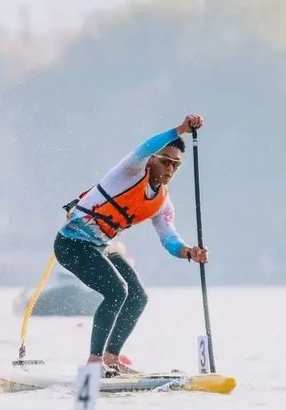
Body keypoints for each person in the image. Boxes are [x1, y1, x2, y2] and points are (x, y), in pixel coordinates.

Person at [55, 114, 210, 375]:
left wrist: (189, 252)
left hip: (100, 246)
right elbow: (146, 146)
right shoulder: (129, 171)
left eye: (176, 165)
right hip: (72, 244)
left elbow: (169, 238)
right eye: (166, 161)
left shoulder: (162, 203)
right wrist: (180, 129)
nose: (170, 169)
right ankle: (94, 363)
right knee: (117, 291)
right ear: (151, 160)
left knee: (138, 297)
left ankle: (111, 358)